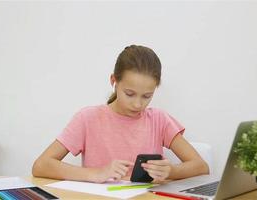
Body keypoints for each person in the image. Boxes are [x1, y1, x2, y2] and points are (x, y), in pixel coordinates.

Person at [32, 45, 209, 183]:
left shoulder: (159, 120)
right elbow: (41, 165)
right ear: (114, 81)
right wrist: (95, 173)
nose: (138, 104)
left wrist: (171, 171)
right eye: (129, 94)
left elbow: (201, 166)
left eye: (147, 96)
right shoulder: (88, 118)